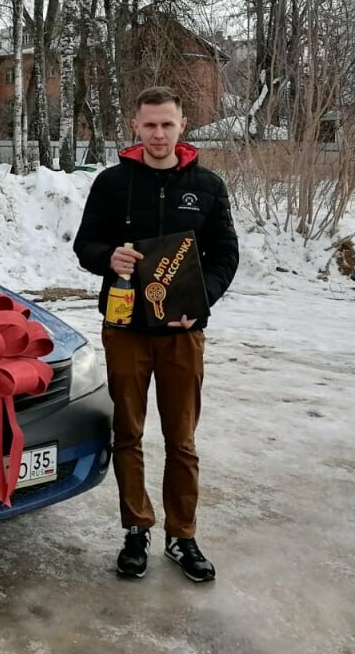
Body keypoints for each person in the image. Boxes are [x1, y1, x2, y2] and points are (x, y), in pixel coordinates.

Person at [73, 86, 239, 581]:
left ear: (182, 125)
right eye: (150, 125)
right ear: (135, 126)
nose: (159, 134)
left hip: (182, 333)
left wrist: (200, 303)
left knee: (181, 439)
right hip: (125, 327)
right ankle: (136, 529)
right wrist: (108, 257)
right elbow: (85, 245)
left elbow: (225, 256)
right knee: (128, 432)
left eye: (167, 124)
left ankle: (182, 535)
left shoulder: (208, 186)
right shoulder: (111, 183)